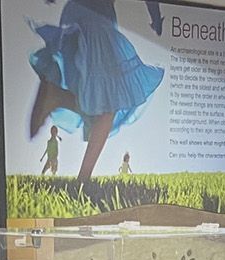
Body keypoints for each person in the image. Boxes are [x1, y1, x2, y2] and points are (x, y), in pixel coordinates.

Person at [28, 0, 165, 182]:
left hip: (74, 11)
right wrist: (155, 18)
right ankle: (83, 180)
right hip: (100, 18)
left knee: (95, 98)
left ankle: (58, 97)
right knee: (108, 104)